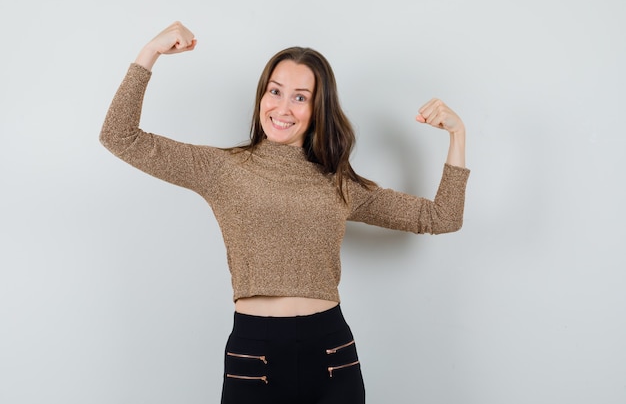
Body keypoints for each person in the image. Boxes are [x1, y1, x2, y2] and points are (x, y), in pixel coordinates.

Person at [100, 21, 470, 404]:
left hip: (331, 353)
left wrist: (458, 135)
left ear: (317, 108)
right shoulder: (222, 169)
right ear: (262, 96)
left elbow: (442, 217)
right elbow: (118, 136)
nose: (282, 107)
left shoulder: (338, 183)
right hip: (253, 353)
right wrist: (151, 52)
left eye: (300, 97)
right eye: (275, 91)